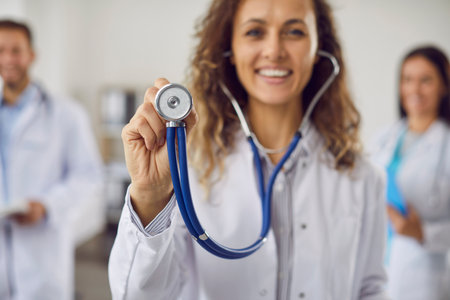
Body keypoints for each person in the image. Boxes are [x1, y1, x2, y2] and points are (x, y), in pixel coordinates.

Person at [108, 0, 389, 299]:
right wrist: (150, 197)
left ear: (319, 49)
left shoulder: (363, 177)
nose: (274, 50)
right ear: (229, 50)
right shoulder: (187, 168)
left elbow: (370, 288)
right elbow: (140, 295)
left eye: (294, 32)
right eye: (255, 32)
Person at [0, 20, 103, 300]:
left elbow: (89, 178)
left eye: (15, 50)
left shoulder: (67, 115)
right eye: (1, 50)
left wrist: (46, 207)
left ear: (31, 55)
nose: (8, 58)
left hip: (41, 261)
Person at [370, 46, 450, 300]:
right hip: (378, 265)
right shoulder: (383, 138)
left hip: (425, 274)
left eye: (425, 80)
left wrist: (423, 232)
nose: (414, 89)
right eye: (407, 80)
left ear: (444, 86)